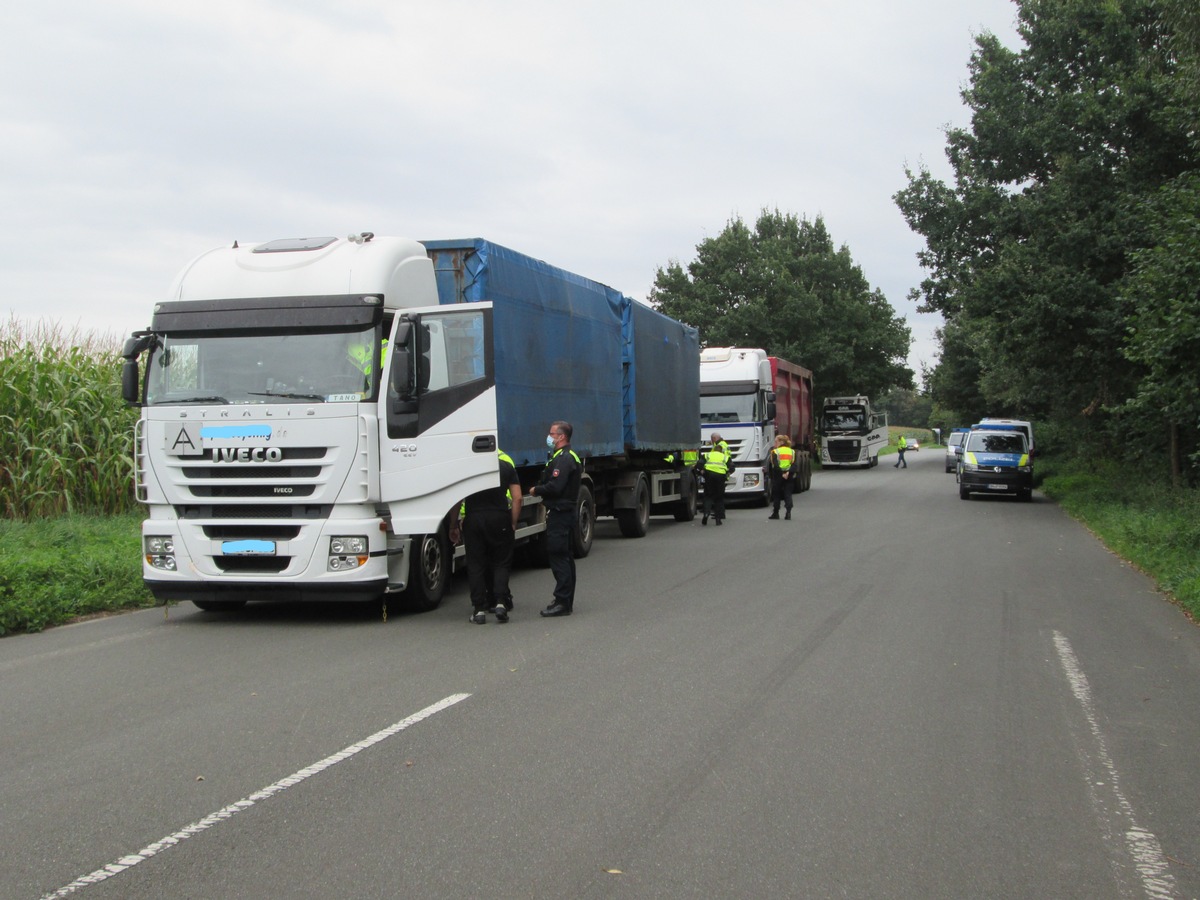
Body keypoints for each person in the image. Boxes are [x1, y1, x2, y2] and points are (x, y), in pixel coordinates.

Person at [450, 450, 523, 624]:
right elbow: (517, 498)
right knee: (501, 563)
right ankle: (500, 603)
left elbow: (457, 500)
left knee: (476, 565)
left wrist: (453, 524)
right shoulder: (505, 466)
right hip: (499, 518)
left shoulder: (467, 468)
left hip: (474, 520)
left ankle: (478, 610)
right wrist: (512, 522)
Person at [527, 421, 582, 617]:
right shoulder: (562, 457)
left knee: (559, 556)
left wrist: (536, 490)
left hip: (561, 512)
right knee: (565, 556)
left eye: (551, 433)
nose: (548, 437)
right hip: (563, 512)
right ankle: (565, 600)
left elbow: (556, 487)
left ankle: (562, 601)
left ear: (561, 437)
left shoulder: (565, 459)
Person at [701, 432, 732, 526]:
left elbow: (699, 464)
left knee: (708, 496)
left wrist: (702, 473)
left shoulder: (709, 454)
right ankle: (719, 518)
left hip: (709, 476)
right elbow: (731, 467)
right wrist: (726, 474)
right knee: (719, 497)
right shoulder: (724, 455)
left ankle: (706, 513)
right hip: (721, 476)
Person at [767, 434, 796, 520]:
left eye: (776, 441)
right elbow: (794, 465)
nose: (775, 443)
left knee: (777, 494)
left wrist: (782, 473)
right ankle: (788, 512)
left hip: (778, 476)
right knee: (788, 494)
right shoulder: (792, 451)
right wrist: (788, 473)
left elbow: (775, 465)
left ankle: (776, 513)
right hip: (789, 476)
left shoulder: (775, 452)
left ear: (781, 442)